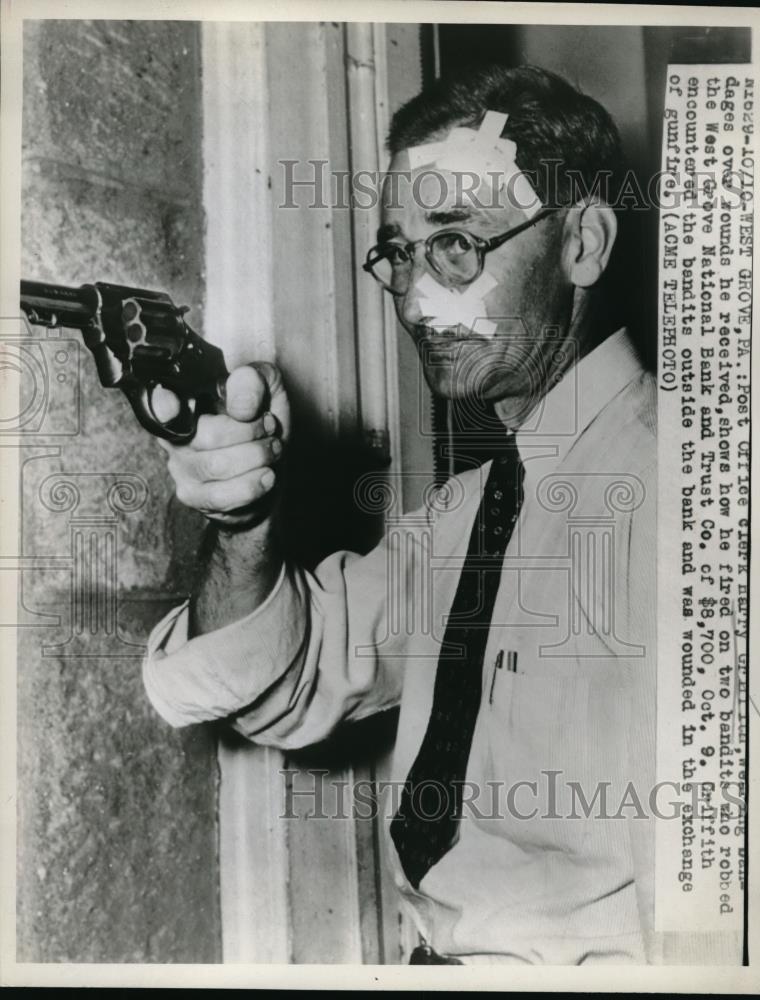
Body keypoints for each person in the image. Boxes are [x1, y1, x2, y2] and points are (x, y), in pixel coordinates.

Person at [144, 64, 669, 964]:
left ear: (583, 242)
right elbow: (264, 677)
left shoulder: (705, 497)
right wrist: (246, 515)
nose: (418, 300)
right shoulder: (463, 518)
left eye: (457, 245)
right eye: (400, 254)